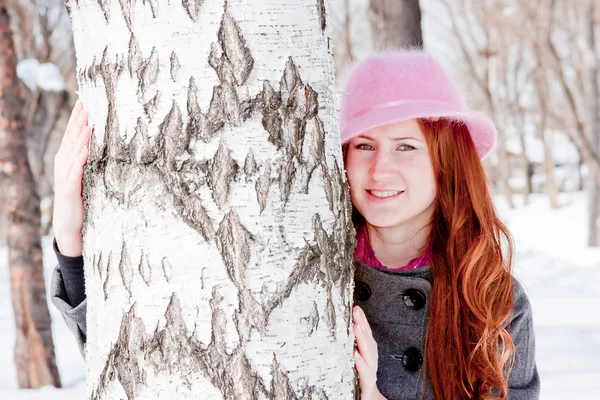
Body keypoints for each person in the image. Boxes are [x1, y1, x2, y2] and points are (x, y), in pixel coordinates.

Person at [51, 51, 539, 399]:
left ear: (446, 163)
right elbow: (155, 363)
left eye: (405, 146)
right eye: (363, 145)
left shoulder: (492, 298)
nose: (379, 169)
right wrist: (70, 237)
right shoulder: (302, 262)